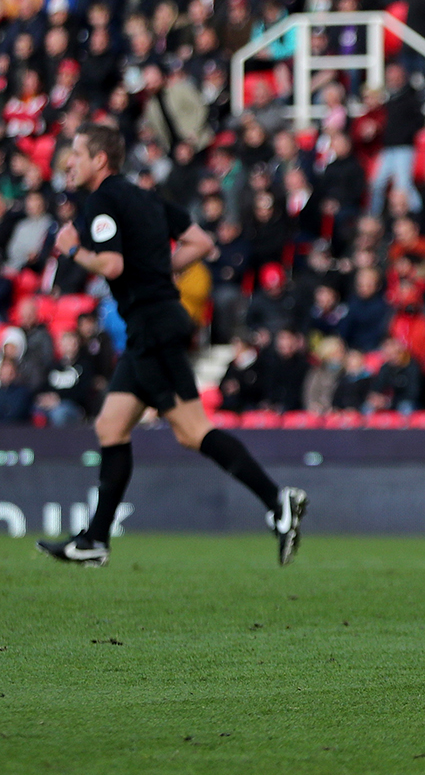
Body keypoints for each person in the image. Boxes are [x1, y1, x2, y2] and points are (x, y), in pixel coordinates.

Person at [36, 124, 306, 568]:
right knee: (110, 425)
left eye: (77, 154)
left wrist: (73, 250)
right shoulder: (144, 195)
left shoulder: (102, 200)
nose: (69, 162)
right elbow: (202, 242)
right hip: (155, 324)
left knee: (192, 430)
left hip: (152, 327)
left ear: (100, 159)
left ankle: (278, 501)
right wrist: (158, 269)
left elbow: (112, 262)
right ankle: (96, 539)